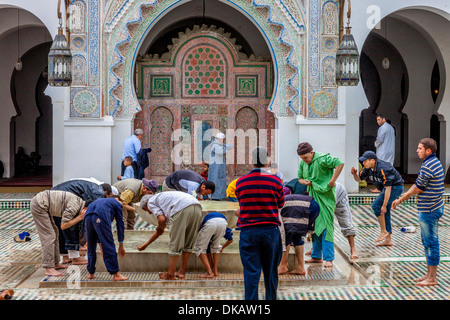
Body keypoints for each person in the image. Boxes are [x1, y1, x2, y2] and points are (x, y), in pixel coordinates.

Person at [392, 138, 444, 287]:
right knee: (427, 242)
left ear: (428, 151)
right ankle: (428, 274)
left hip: (430, 209)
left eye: (420, 148)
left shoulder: (429, 165)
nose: (417, 150)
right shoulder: (431, 163)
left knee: (431, 242)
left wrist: (402, 198)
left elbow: (418, 187)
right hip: (430, 207)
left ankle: (432, 278)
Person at [235, 146, 285, 300]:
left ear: (252, 161)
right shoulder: (276, 181)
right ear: (267, 161)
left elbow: (242, 204)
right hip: (270, 232)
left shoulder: (240, 182)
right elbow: (281, 204)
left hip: (248, 232)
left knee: (251, 273)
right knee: (271, 272)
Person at [297, 142, 344, 268]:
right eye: (302, 158)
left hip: (326, 197)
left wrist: (332, 181)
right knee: (315, 224)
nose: (304, 161)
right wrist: (305, 181)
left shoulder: (323, 159)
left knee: (326, 226)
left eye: (306, 158)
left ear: (311, 153)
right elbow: (300, 178)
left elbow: (339, 163)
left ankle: (329, 258)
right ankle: (316, 256)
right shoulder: (303, 162)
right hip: (312, 195)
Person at [137, 191, 203, 280]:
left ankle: (170, 274)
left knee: (175, 244)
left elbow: (161, 220)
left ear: (146, 204)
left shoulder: (151, 201)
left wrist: (160, 227)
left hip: (181, 208)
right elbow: (160, 231)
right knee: (188, 243)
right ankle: (181, 272)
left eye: (146, 209)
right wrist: (146, 244)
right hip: (197, 207)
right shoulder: (162, 200)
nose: (149, 213)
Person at [51, 178, 114, 262]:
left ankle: (66, 256)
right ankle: (75, 258)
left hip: (52, 198)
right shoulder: (100, 194)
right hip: (63, 199)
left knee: (62, 228)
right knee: (72, 226)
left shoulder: (91, 188)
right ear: (106, 193)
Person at [351, 150, 403, 247]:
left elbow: (389, 188)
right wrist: (354, 174)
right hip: (386, 189)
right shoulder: (367, 168)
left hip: (396, 187)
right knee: (385, 212)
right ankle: (388, 240)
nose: (363, 163)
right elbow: (358, 179)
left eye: (365, 161)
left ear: (372, 160)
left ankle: (384, 231)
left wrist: (383, 205)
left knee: (376, 205)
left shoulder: (383, 168)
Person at [30, 190, 88, 276]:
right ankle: (48, 268)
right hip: (39, 205)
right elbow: (64, 226)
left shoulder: (80, 204)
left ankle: (55, 263)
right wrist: (79, 218)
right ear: (85, 209)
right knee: (49, 237)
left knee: (55, 233)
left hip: (45, 205)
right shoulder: (74, 207)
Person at [84, 196, 128, 281]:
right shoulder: (118, 205)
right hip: (99, 216)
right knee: (109, 244)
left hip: (88, 215)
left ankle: (90, 272)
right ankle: (116, 274)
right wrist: (121, 245)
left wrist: (101, 246)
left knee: (91, 245)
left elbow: (98, 233)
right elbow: (120, 225)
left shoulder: (103, 202)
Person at [278, 193, 320, 275]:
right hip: (313, 205)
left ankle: (283, 265)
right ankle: (300, 268)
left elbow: (282, 233)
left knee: (287, 235)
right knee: (296, 236)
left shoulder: (274, 209)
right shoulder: (276, 204)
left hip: (306, 206)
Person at [194, 212, 234, 278]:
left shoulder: (204, 224)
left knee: (199, 248)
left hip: (210, 222)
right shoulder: (226, 229)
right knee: (216, 247)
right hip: (223, 222)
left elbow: (203, 243)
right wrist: (222, 247)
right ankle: (215, 271)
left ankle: (209, 273)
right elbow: (231, 240)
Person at [372, 114, 396, 192]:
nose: (378, 122)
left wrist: (375, 144)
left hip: (383, 151)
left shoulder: (382, 128)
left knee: (380, 168)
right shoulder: (391, 128)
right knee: (388, 169)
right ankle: (388, 186)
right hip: (390, 151)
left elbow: (380, 139)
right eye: (377, 120)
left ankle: (380, 188)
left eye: (379, 120)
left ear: (384, 119)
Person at [208, 132, 234, 200]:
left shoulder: (219, 145)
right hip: (215, 167)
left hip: (219, 166)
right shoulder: (215, 145)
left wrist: (224, 145)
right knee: (215, 180)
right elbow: (221, 151)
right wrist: (224, 146)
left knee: (220, 181)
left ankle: (219, 196)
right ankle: (214, 196)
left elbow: (231, 146)